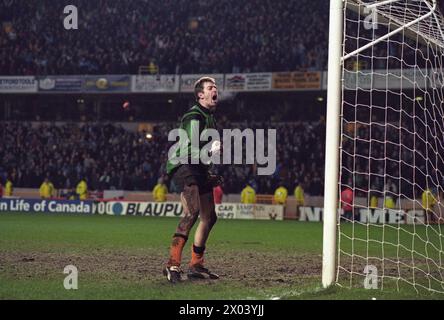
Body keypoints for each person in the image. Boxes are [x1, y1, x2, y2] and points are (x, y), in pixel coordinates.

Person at [163, 77, 223, 283]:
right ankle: (172, 265)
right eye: (210, 87)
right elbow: (190, 146)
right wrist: (210, 150)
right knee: (192, 211)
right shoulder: (194, 116)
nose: (215, 90)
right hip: (183, 164)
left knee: (209, 216)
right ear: (200, 95)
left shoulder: (210, 117)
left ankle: (196, 264)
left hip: (197, 166)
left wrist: (208, 170)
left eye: (215, 87)